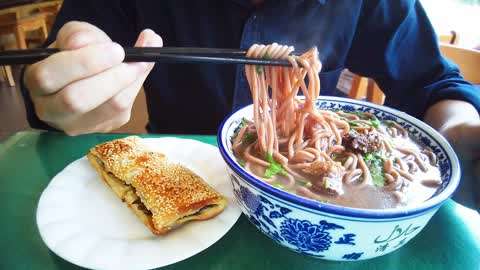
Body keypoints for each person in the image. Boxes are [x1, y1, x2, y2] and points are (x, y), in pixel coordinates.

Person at [21, 0, 479, 208]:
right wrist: (62, 97)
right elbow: (60, 66)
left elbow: (435, 82)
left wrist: (462, 137)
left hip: (316, 199)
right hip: (175, 174)